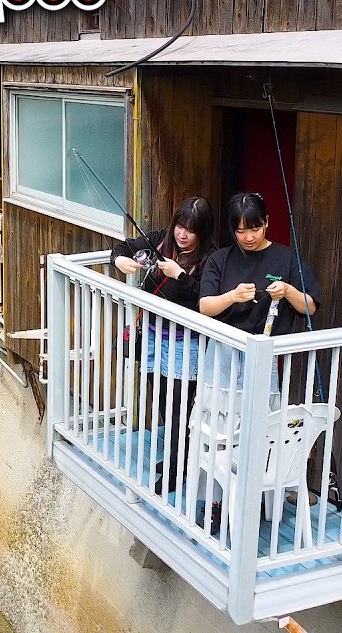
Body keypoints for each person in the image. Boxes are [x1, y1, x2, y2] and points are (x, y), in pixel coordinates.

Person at [111, 195, 215, 495]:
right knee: (160, 399)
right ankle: (175, 458)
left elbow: (203, 300)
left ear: (202, 232)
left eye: (190, 230)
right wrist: (120, 260)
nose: (182, 235)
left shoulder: (210, 259)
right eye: (180, 226)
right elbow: (123, 246)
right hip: (154, 336)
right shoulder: (159, 241)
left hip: (185, 343)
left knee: (179, 407)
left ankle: (177, 467)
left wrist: (180, 276)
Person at [200, 191, 320, 396]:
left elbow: (310, 307)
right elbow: (205, 307)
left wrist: (288, 290)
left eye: (255, 229)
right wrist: (232, 296)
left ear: (267, 222)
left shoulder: (287, 258)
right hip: (223, 349)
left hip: (265, 352)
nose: (249, 237)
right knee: (217, 408)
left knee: (260, 408)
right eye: (241, 231)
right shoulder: (219, 259)